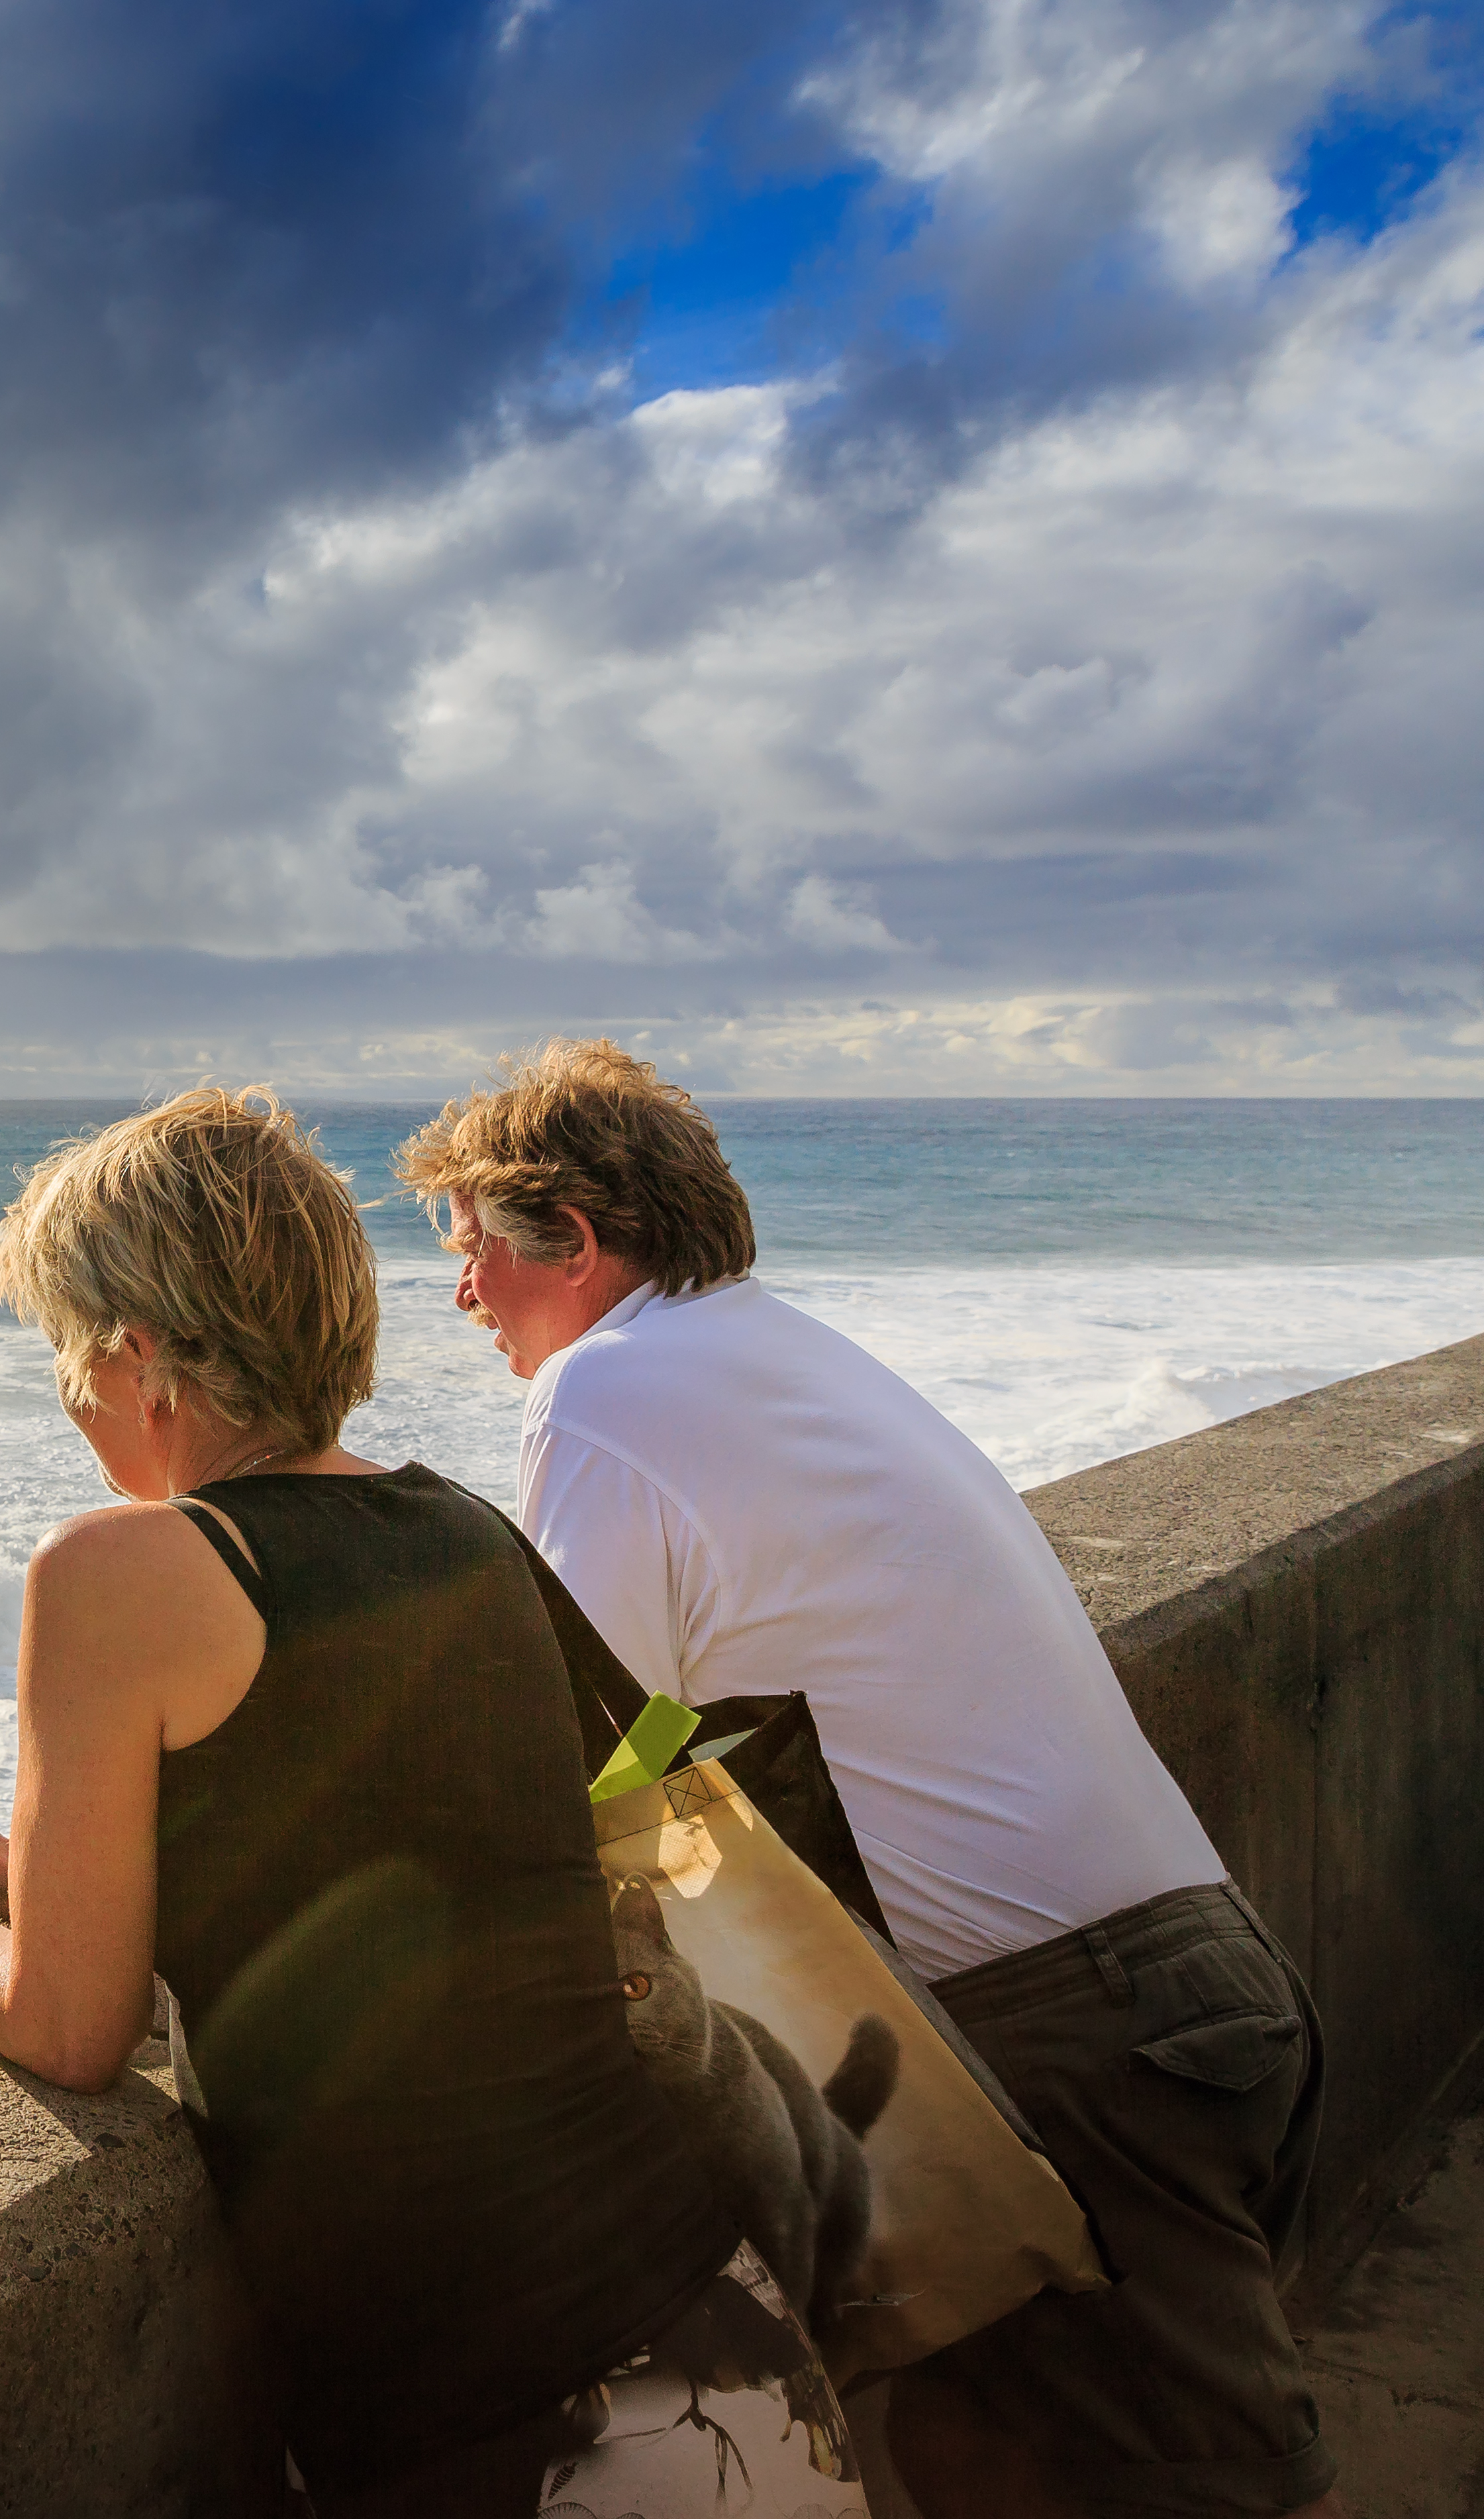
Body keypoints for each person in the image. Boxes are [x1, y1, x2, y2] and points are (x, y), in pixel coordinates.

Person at [0, 1086, 843, 2516]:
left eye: (65, 1345)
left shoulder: (113, 1572)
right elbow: (367, 1896)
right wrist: (32, 1877)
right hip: (732, 2353)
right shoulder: (467, 1535)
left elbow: (67, 2030)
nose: (65, 1391)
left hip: (516, 2436)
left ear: (143, 1355)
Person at [391, 1039, 1342, 2519]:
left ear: (570, 1238)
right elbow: (676, 1714)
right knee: (985, 2463)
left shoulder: (600, 1389)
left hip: (1068, 2034)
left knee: (1203, 2491)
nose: (459, 1294)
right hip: (1188, 1984)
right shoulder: (783, 1351)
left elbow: (574, 1766)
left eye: (470, 1252)